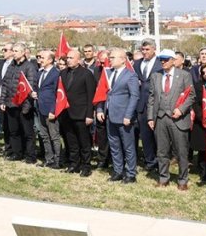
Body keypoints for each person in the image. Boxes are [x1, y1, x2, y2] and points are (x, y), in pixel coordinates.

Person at [148, 49, 195, 190]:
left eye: (166, 59)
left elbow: (191, 95)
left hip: (178, 119)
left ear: (173, 61)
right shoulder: (155, 76)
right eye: (161, 59)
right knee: (162, 151)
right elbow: (151, 98)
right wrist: (150, 117)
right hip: (161, 118)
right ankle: (163, 178)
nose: (163, 62)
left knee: (181, 151)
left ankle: (182, 180)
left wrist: (181, 109)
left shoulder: (184, 75)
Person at [99, 48, 140, 183]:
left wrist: (128, 115)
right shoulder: (108, 73)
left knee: (128, 146)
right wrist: (100, 109)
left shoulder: (130, 75)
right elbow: (102, 93)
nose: (109, 59)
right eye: (109, 57)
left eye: (112, 57)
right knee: (114, 145)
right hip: (110, 115)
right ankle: (118, 171)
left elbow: (134, 97)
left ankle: (131, 173)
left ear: (123, 60)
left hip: (124, 117)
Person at [61, 49, 97, 177]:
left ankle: (86, 166)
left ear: (78, 59)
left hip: (81, 113)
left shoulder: (86, 74)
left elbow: (90, 95)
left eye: (71, 58)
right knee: (71, 141)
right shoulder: (63, 73)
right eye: (67, 58)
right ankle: (74, 164)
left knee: (84, 141)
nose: (68, 60)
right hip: (66, 113)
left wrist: (89, 114)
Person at [1, 44, 39, 162]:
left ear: (23, 53)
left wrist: (27, 106)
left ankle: (30, 156)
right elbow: (5, 84)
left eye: (16, 51)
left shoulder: (29, 67)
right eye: (13, 50)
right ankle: (17, 153)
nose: (13, 53)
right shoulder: (11, 66)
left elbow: (30, 87)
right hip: (11, 103)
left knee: (27, 132)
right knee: (14, 131)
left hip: (23, 104)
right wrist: (3, 100)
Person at [133, 40, 160, 176]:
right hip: (141, 105)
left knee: (158, 137)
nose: (144, 52)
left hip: (157, 105)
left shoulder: (160, 63)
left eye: (147, 49)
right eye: (143, 49)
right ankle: (150, 162)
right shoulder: (137, 64)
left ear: (154, 49)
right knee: (145, 136)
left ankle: (160, 162)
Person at [34, 50, 62, 167]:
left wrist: (53, 110)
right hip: (40, 108)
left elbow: (57, 94)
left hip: (50, 110)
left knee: (54, 136)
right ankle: (49, 159)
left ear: (50, 60)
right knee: (44, 136)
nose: (40, 60)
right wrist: (34, 93)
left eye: (43, 58)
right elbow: (39, 88)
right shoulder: (40, 73)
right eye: (40, 57)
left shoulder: (56, 73)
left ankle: (57, 160)